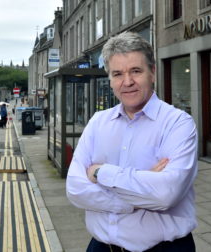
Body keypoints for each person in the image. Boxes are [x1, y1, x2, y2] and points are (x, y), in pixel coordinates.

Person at [66, 32, 198, 252]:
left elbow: (166, 194)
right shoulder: (98, 122)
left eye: (136, 71)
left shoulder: (178, 123)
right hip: (101, 247)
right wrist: (139, 194)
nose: (127, 82)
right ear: (110, 79)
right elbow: (75, 189)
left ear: (152, 73)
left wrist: (100, 173)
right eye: (117, 74)